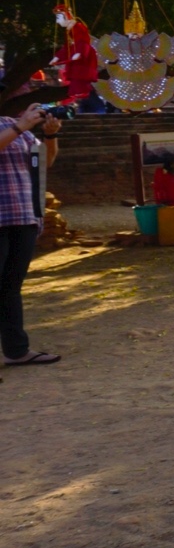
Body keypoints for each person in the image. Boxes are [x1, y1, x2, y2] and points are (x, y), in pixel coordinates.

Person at [1, 104, 61, 370]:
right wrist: (19, 127)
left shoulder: (14, 125)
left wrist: (49, 136)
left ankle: (16, 351)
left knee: (11, 286)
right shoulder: (18, 126)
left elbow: (44, 162)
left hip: (22, 216)